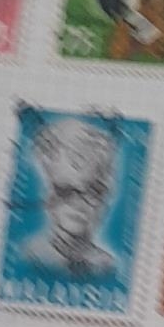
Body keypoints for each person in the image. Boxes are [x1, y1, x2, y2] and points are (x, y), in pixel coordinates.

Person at [23, 116, 120, 280]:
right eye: (66, 191)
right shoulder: (30, 256)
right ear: (48, 196)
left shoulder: (106, 266)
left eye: (94, 192)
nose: (79, 204)